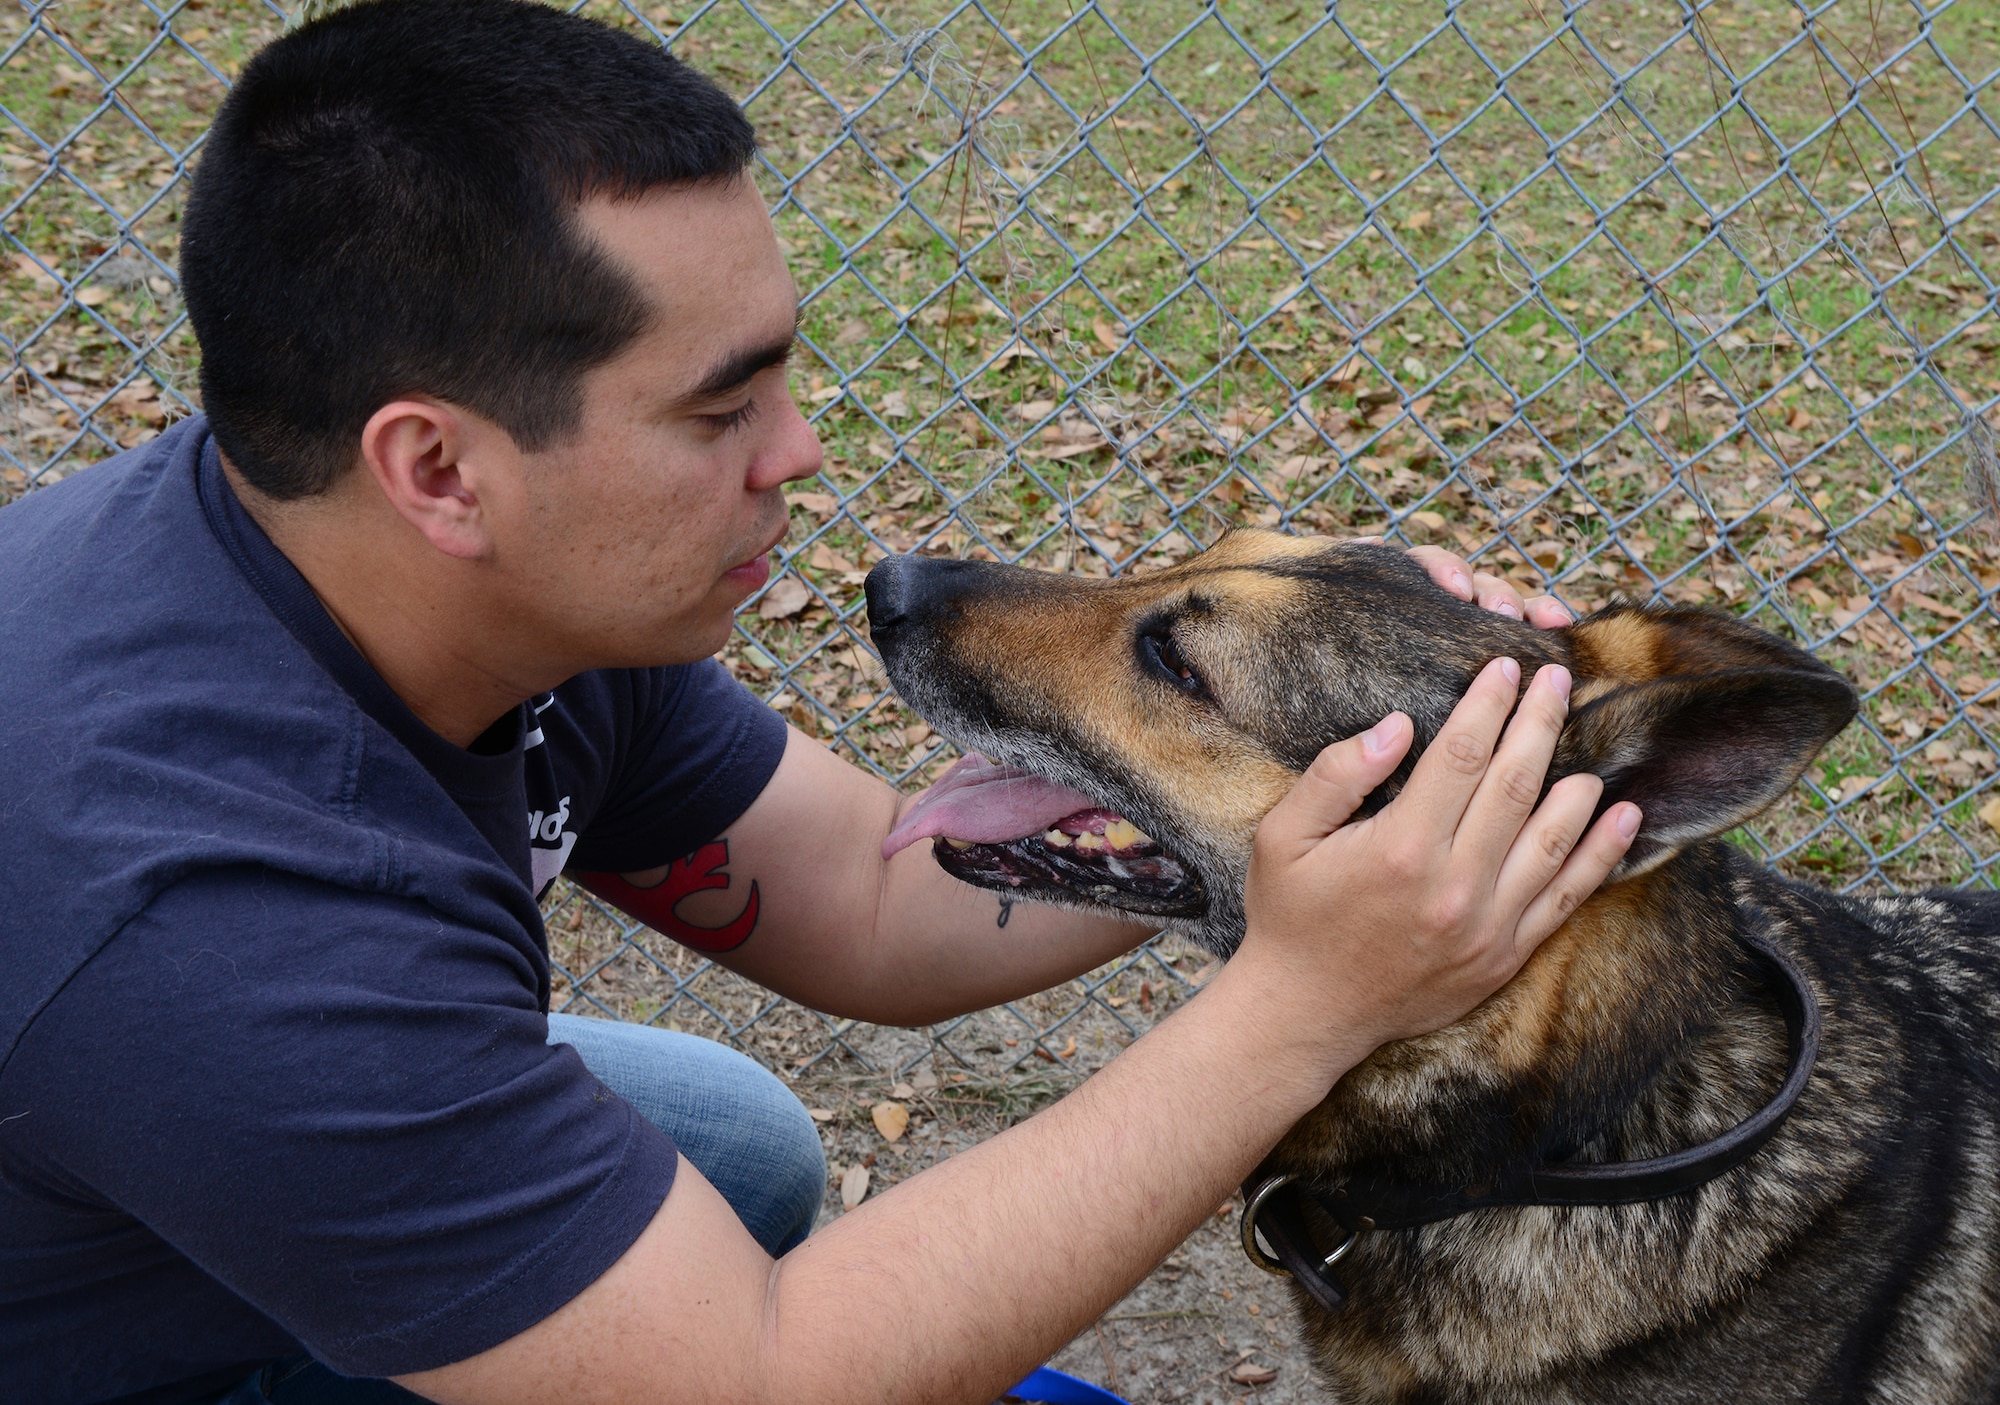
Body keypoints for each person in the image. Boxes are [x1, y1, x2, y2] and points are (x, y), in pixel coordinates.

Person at [0, 3, 1639, 1402]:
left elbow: (866, 898)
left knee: (738, 1146)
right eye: (722, 407)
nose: (798, 455)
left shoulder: (437, 584)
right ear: (438, 466)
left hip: (166, 1175)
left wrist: (1298, 766)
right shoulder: (206, 904)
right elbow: (763, 1374)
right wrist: (1305, 1000)